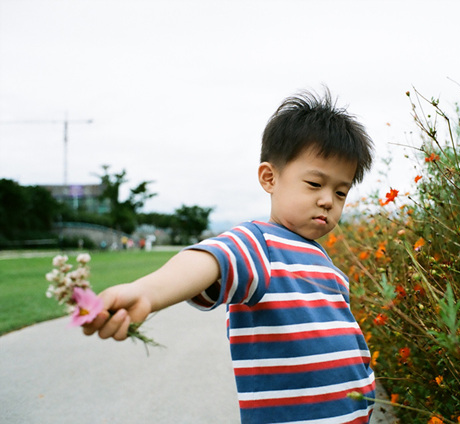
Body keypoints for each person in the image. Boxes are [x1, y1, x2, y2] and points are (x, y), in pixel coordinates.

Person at [82, 90, 376, 424]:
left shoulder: (327, 265)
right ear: (270, 178)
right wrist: (147, 293)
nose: (328, 200)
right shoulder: (260, 244)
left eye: (341, 192)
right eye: (314, 184)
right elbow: (212, 259)